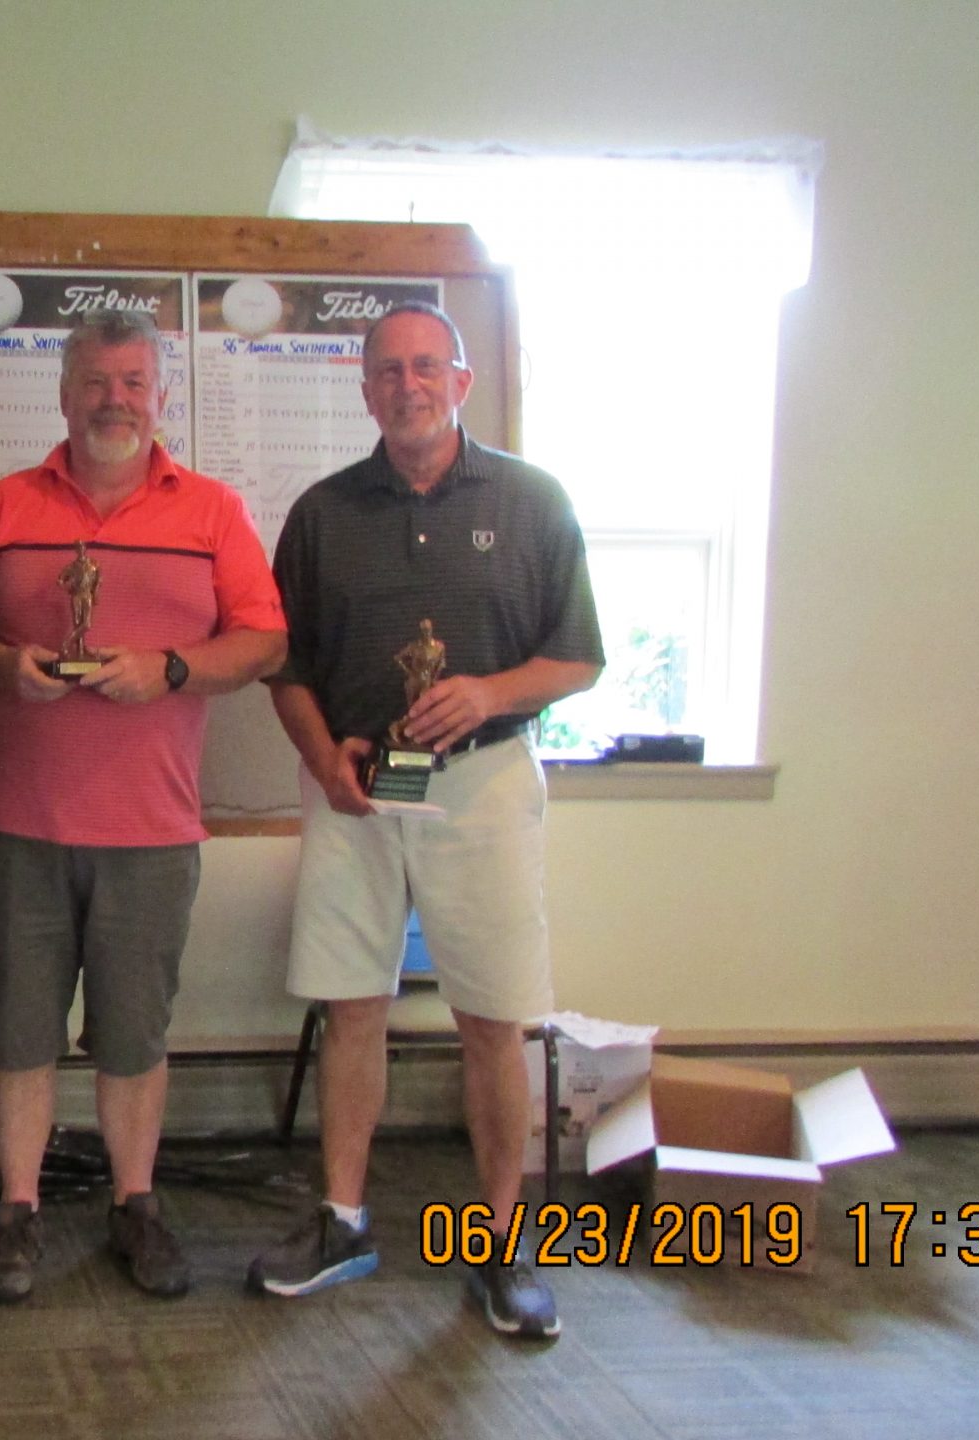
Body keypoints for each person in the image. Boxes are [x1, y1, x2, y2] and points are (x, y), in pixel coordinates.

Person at [249, 302, 602, 1341]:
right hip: (355, 791)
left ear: (461, 379)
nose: (407, 385)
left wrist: (488, 693)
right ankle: (344, 1220)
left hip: (482, 786)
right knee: (350, 1004)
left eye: (425, 366)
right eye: (387, 371)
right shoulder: (321, 514)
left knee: (493, 1017)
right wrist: (323, 757)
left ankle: (501, 1246)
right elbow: (286, 668)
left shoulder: (533, 502)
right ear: (364, 389)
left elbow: (578, 658)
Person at [0, 309, 288, 1304]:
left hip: (153, 830)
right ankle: (17, 1207)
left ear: (161, 396)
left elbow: (263, 640)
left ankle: (136, 1202)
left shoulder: (211, 512)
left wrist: (171, 668)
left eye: (133, 382)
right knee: (17, 1028)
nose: (114, 400)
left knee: (134, 1033)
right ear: (63, 393)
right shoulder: (0, 508)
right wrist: (4, 664)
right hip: (22, 824)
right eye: (95, 381)